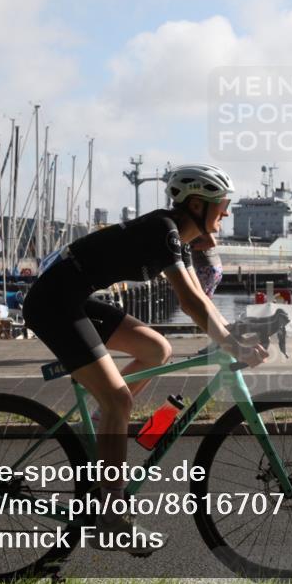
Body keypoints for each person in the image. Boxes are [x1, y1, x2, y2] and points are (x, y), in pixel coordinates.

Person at [22, 163, 268, 555]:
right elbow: (189, 303)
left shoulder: (177, 239)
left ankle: (100, 421)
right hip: (53, 304)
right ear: (196, 204)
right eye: (222, 205)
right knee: (119, 399)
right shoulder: (163, 231)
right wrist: (230, 344)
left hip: (73, 298)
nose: (226, 212)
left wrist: (231, 337)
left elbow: (200, 300)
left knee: (157, 350)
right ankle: (112, 520)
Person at [190, 233, 223, 298]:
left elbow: (212, 243)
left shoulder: (199, 228)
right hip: (215, 267)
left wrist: (191, 247)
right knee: (206, 299)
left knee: (198, 298)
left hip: (206, 268)